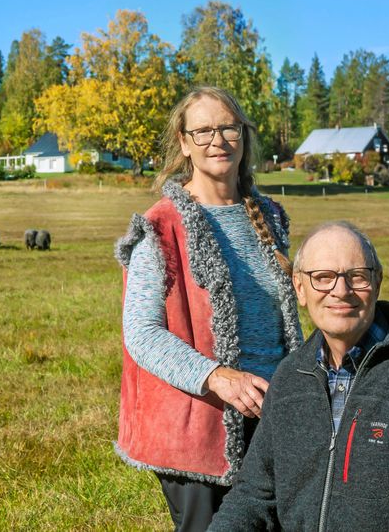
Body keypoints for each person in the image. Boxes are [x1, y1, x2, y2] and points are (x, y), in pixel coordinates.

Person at [208, 221, 389, 531]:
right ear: (299, 289)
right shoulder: (289, 378)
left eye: (357, 276)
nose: (341, 291)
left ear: (377, 282)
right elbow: (253, 497)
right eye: (323, 277)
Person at [115, 86, 304, 531]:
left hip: (273, 415)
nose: (217, 140)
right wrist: (218, 378)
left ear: (243, 136)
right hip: (201, 428)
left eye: (227, 128)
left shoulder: (270, 216)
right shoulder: (160, 226)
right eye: (202, 131)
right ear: (184, 143)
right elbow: (141, 333)